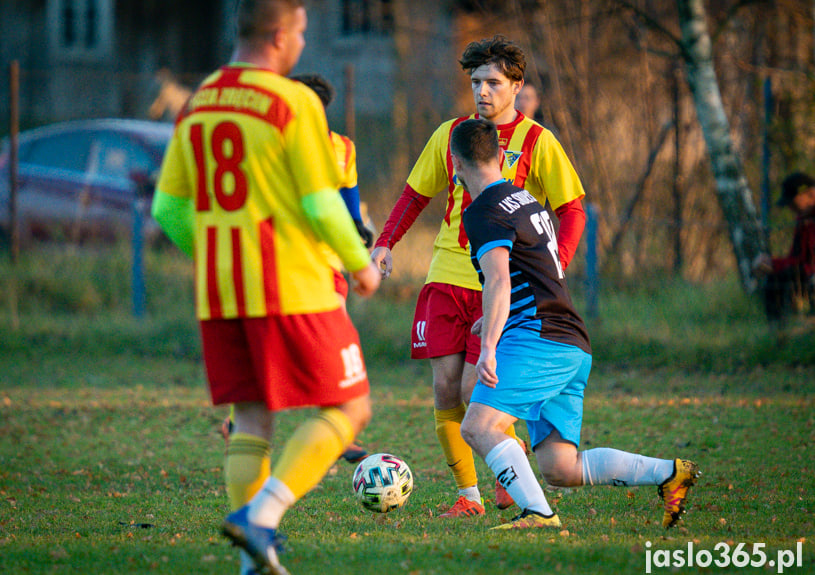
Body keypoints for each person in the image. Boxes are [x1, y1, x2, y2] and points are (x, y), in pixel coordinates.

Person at [151, 1, 381, 574]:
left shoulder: (198, 102)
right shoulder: (291, 101)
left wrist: (214, 255)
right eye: (301, 33)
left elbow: (167, 209)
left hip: (221, 292)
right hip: (292, 286)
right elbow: (321, 203)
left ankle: (252, 563)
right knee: (351, 406)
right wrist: (361, 264)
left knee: (251, 419)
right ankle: (262, 516)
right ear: (279, 35)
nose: (302, 44)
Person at [370, 35, 587, 518]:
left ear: (517, 86)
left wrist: (557, 263)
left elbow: (571, 209)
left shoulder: (537, 141)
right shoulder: (451, 135)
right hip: (446, 276)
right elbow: (414, 195)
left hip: (502, 285)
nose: (483, 92)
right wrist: (386, 241)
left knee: (477, 390)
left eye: (493, 82)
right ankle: (469, 496)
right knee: (445, 389)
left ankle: (509, 483)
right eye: (476, 82)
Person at [453, 118, 700, 530]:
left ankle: (538, 514)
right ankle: (669, 473)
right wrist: (493, 319)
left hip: (538, 339)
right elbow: (528, 274)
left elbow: (498, 279)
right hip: (570, 342)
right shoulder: (526, 200)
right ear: (500, 156)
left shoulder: (482, 211)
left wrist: (491, 345)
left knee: (479, 426)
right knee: (560, 467)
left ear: (455, 163)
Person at [219, 72, 374, 465]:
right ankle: (339, 421)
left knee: (334, 338)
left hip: (327, 263)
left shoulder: (343, 149)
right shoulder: (273, 146)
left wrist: (359, 238)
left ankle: (338, 423)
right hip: (282, 262)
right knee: (300, 345)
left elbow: (349, 208)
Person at [755, 172, 815, 326]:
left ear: (809, 194)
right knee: (774, 279)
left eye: (793, 202)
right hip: (809, 275)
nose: (790, 208)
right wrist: (771, 263)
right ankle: (778, 331)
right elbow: (798, 259)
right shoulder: (803, 220)